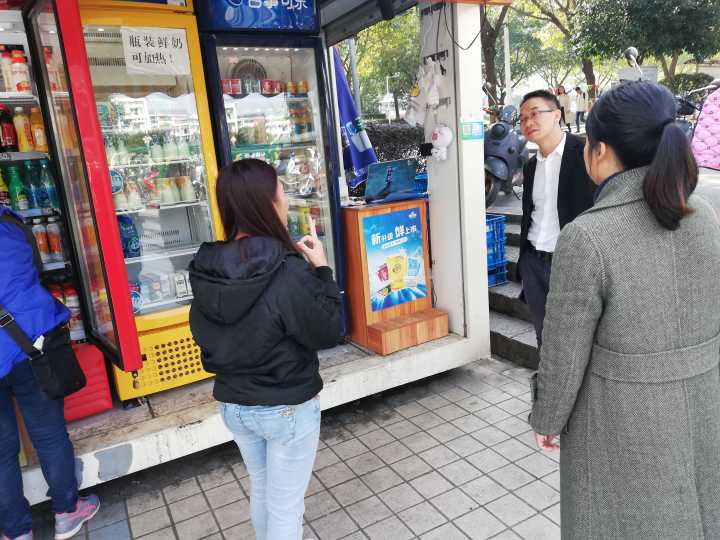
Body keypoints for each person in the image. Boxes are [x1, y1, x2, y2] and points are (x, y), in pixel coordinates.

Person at [531, 81, 720, 538]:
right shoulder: (704, 214)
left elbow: (563, 354)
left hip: (620, 424)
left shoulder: (587, 237)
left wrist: (547, 418)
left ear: (599, 151)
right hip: (703, 409)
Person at [189, 159, 343, 540]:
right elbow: (329, 329)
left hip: (235, 405)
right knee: (286, 507)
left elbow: (203, 332)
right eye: (281, 192)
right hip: (285, 406)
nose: (286, 199)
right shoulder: (286, 269)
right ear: (266, 204)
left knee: (263, 490)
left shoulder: (207, 266)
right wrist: (322, 270)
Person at [0, 206, 99, 540]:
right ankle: (67, 513)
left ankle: (17, 532)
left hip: (18, 345)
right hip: (27, 343)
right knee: (49, 434)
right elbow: (36, 271)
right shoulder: (9, 224)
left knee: (0, 452)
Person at [517, 90, 595, 345]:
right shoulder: (530, 166)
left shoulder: (586, 153)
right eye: (522, 118)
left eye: (535, 114)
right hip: (533, 262)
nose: (528, 122)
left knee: (576, 341)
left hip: (570, 264)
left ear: (557, 115)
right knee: (544, 338)